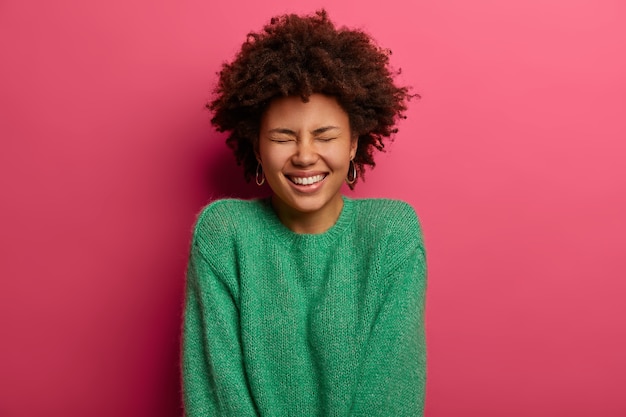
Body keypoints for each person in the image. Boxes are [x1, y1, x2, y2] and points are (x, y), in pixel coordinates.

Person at [182, 10, 427, 416]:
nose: (305, 155)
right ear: (257, 147)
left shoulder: (390, 235)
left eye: (325, 135)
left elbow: (391, 395)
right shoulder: (224, 234)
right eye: (283, 136)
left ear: (353, 143)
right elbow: (215, 395)